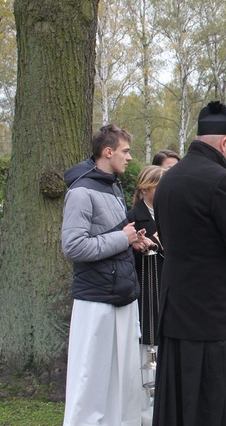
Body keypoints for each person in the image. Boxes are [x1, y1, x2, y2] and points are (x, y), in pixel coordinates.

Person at [152, 101, 226, 425]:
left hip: (175, 309)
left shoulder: (168, 180)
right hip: (212, 315)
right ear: (225, 142)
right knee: (213, 402)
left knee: (179, 402)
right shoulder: (220, 180)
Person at [61, 124, 154, 426]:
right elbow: (73, 246)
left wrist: (134, 241)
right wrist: (122, 240)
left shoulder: (113, 186)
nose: (129, 157)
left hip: (122, 296)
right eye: (125, 151)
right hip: (96, 302)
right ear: (108, 151)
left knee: (124, 376)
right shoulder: (80, 191)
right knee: (92, 378)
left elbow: (114, 235)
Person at [127, 164, 167, 425]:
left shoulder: (167, 212)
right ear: (145, 189)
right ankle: (145, 412)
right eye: (159, 185)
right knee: (147, 354)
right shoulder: (133, 217)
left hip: (166, 290)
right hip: (147, 293)